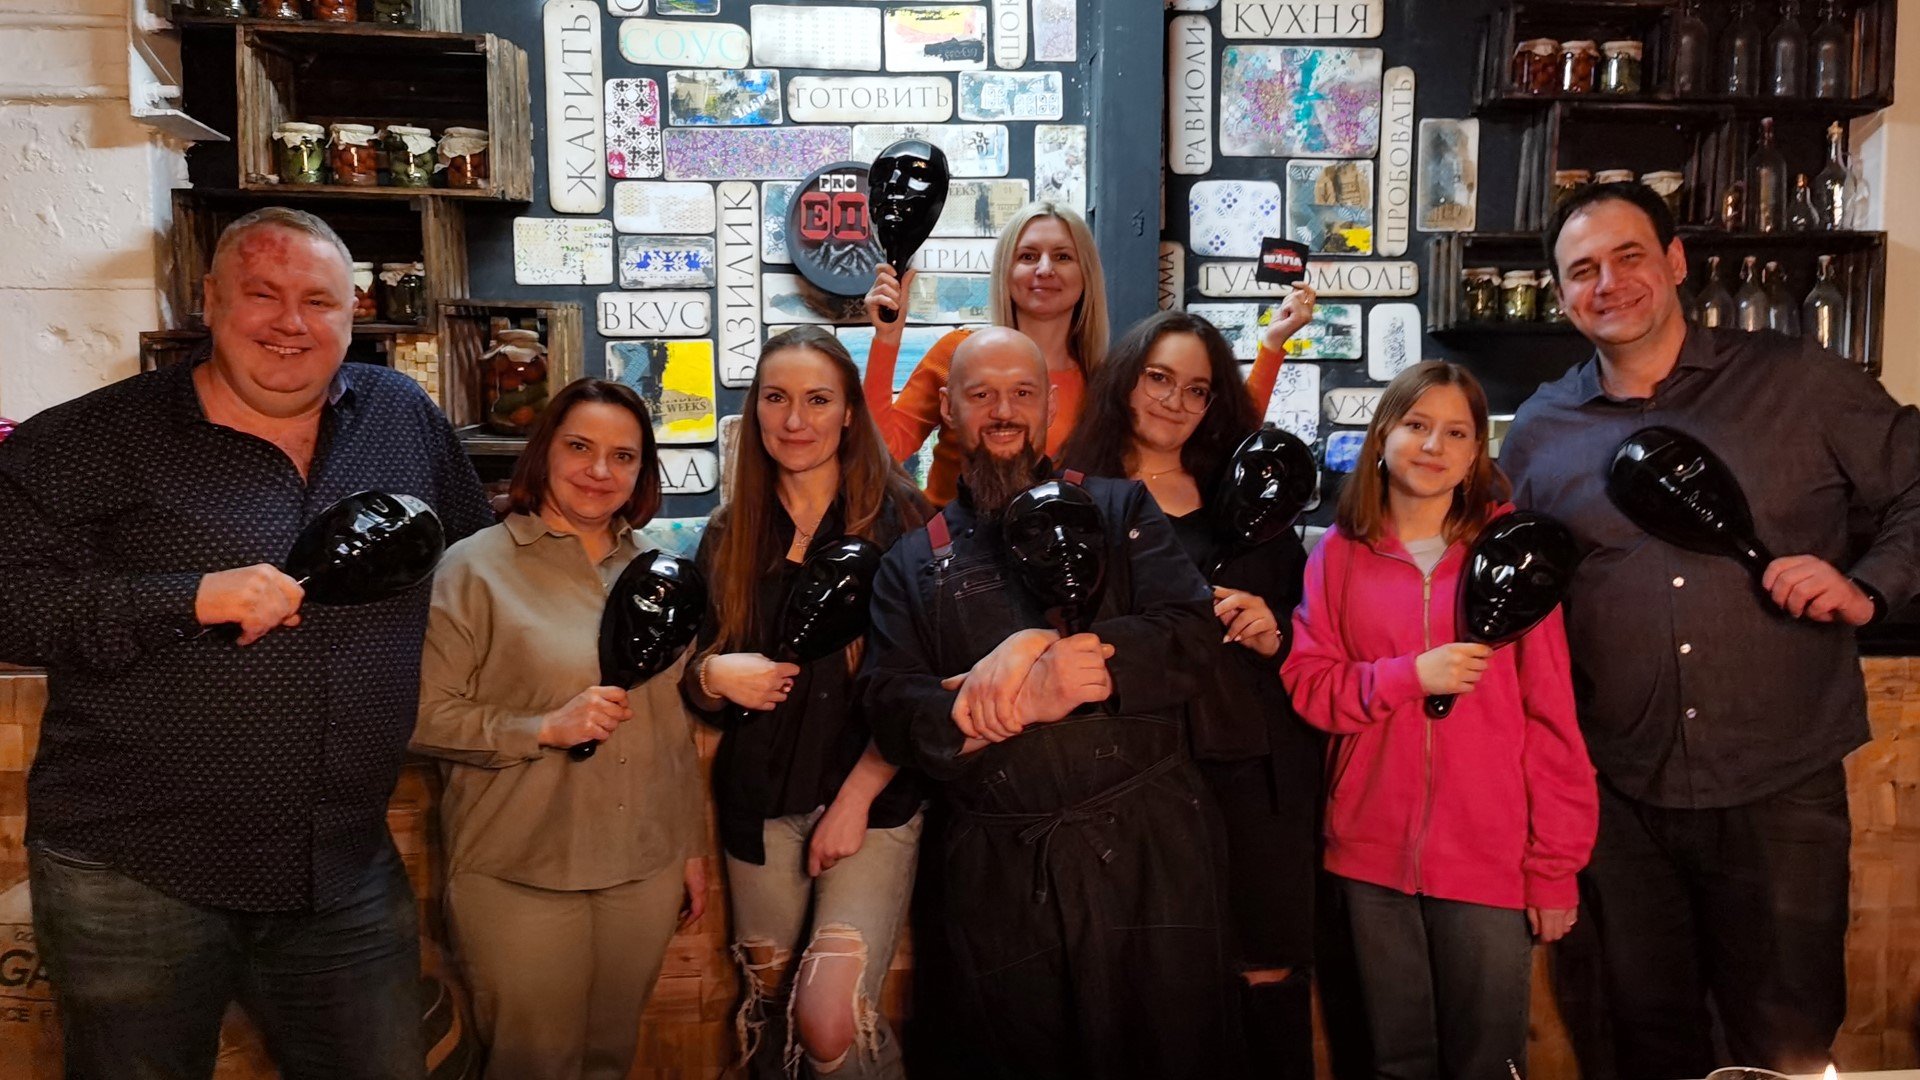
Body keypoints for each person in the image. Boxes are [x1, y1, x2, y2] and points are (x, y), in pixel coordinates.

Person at [0, 206, 493, 1079]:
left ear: (353, 313)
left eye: (319, 300)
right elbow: (11, 602)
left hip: (339, 866)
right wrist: (186, 597)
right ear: (211, 300)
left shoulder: (400, 415)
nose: (290, 322)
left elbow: (473, 555)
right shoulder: (90, 439)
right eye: (262, 294)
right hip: (136, 872)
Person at [1501, 181, 1920, 1078]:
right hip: (1620, 790)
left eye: (1629, 257)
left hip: (1779, 779)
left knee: (1787, 1038)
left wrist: (1868, 588)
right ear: (1561, 295)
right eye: (1582, 270)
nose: (1608, 283)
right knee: (1643, 1036)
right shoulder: (1538, 432)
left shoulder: (1798, 380)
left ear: (1676, 260)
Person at [858, 326, 1233, 1080]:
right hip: (998, 878)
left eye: (1022, 393)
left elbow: (1191, 633)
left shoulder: (1120, 508)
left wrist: (1057, 658)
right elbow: (891, 707)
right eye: (982, 394)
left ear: (1049, 405)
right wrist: (1019, 700)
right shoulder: (911, 560)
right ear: (950, 410)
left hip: (1154, 852)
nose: (1004, 411)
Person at [1282, 361, 1598, 1080]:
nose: (1433, 446)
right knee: (1393, 1063)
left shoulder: (1510, 552)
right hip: (1368, 857)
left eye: (1456, 433)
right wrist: (1407, 676)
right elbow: (1311, 686)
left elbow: (1551, 718)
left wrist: (1554, 868)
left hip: (1488, 857)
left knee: (1488, 1062)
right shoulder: (1337, 555)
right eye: (1417, 425)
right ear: (1383, 436)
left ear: (1476, 451)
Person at [412, 378, 706, 1080]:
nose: (600, 471)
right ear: (544, 451)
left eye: (623, 456)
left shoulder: (658, 569)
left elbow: (670, 725)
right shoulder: (472, 568)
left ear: (642, 470)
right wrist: (542, 727)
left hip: (643, 867)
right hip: (521, 870)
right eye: (579, 447)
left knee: (610, 1059)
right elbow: (419, 716)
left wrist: (687, 846)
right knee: (533, 1065)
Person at [1057, 309, 1321, 1077]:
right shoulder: (1074, 493)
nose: (1175, 401)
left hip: (1254, 761)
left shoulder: (1245, 488)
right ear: (1126, 381)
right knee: (1154, 982)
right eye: (1159, 379)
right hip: (1133, 768)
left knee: (1267, 967)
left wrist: (1277, 630)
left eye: (1197, 389)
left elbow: (1310, 627)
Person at [681, 327, 930, 1079]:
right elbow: (691, 679)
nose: (795, 420)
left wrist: (855, 801)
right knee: (769, 1009)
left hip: (872, 799)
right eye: (776, 399)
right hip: (759, 803)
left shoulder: (906, 522)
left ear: (850, 412)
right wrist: (713, 674)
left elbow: (927, 684)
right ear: (754, 410)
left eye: (817, 400)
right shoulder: (729, 533)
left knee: (828, 1019)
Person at [859, 202, 1107, 507]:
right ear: (1006, 270)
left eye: (1063, 256)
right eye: (1028, 256)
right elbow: (881, 451)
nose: (1045, 269)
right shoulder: (957, 353)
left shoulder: (1103, 383)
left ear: (1086, 273)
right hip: (948, 533)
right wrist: (886, 340)